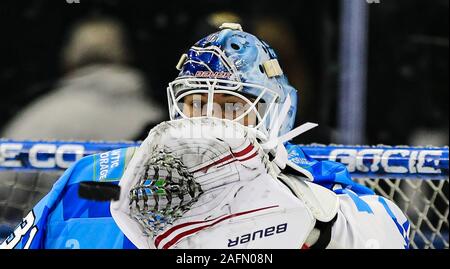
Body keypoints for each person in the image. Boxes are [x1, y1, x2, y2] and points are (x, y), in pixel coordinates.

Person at [0, 23, 409, 249]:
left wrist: (324, 231)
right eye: (196, 102)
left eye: (231, 103)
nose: (210, 118)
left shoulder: (316, 186)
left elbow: (386, 232)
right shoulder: (93, 178)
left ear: (273, 112)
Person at [1, 17, 165, 141]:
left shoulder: (40, 118)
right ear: (126, 56)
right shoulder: (155, 119)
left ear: (69, 58)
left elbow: (5, 178)